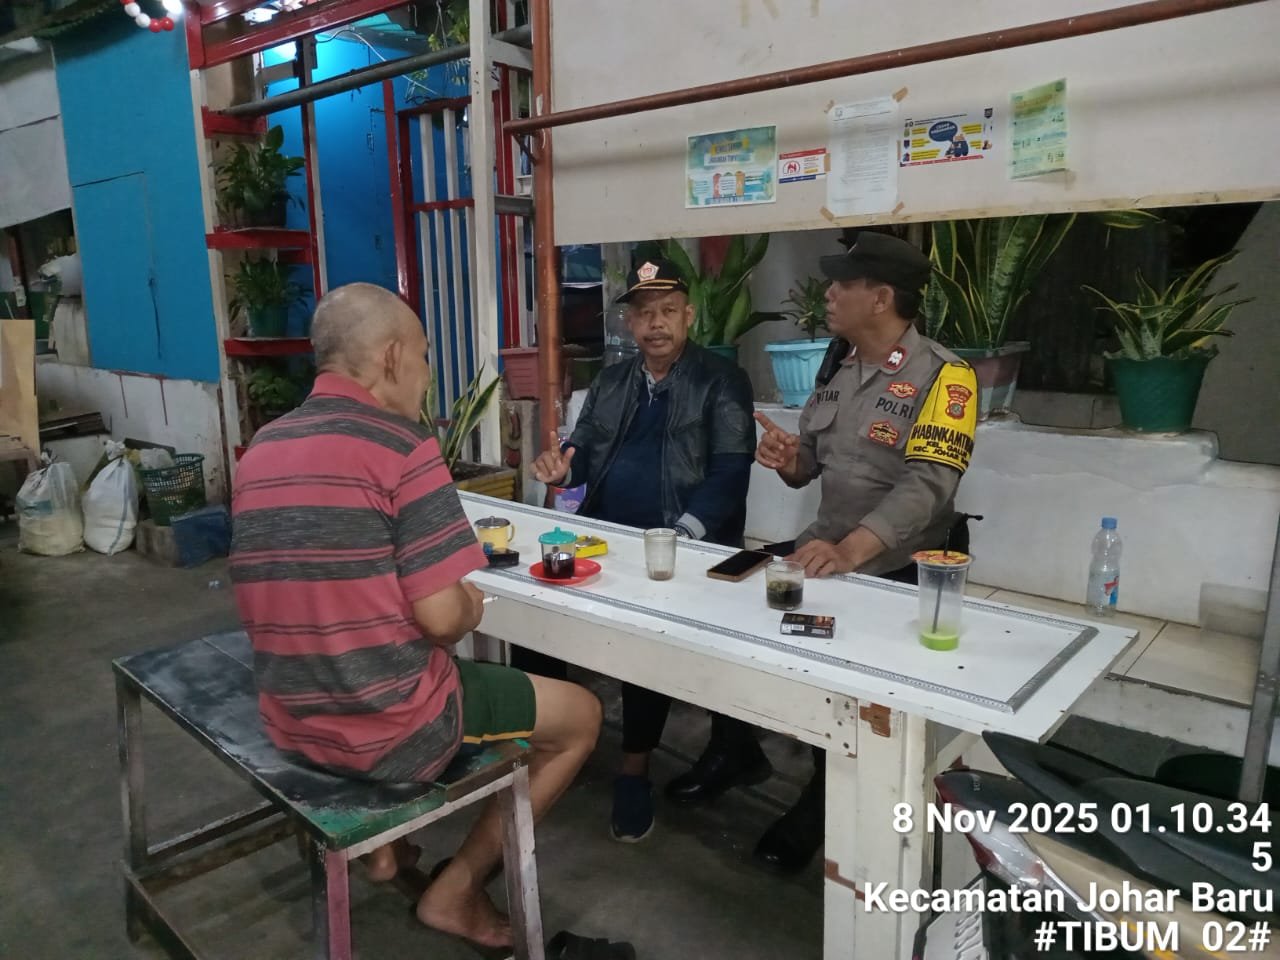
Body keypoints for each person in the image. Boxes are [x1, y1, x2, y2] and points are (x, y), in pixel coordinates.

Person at [229, 283, 602, 950]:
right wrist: (472, 603)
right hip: (388, 732)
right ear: (393, 357)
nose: (428, 377)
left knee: (384, 657)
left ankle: (387, 849)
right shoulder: (402, 446)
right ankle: (457, 890)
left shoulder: (262, 447)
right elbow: (440, 619)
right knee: (580, 716)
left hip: (289, 717)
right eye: (426, 357)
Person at [733, 232, 979, 873]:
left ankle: (855, 822)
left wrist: (849, 551)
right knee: (813, 683)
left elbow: (928, 485)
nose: (830, 294)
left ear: (881, 297)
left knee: (873, 707)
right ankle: (811, 791)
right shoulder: (837, 367)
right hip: (830, 559)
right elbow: (811, 466)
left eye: (842, 284)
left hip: (901, 568)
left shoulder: (946, 377)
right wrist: (788, 458)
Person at [526, 258, 761, 843]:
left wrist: (679, 537)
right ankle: (544, 743)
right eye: (644, 313)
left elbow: (731, 473)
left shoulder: (721, 380)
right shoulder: (611, 382)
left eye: (667, 311)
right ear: (629, 324)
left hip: (682, 544)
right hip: (605, 536)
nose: (656, 324)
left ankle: (634, 771)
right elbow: (580, 453)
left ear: (689, 315)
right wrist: (560, 471)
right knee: (533, 612)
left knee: (641, 642)